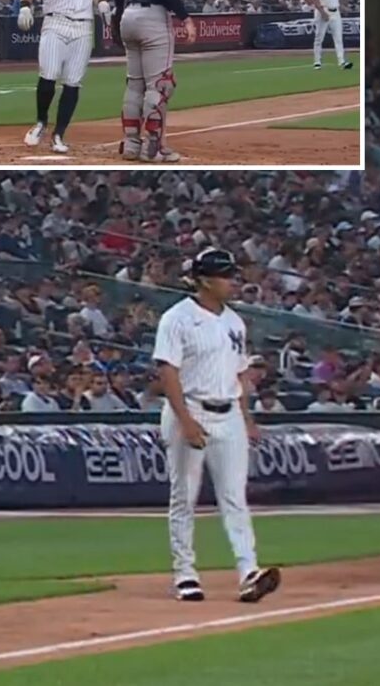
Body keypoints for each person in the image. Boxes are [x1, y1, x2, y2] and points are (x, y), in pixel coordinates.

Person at [152, 248, 281, 604]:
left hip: (229, 415)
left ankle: (249, 572)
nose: (232, 281)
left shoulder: (234, 321)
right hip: (190, 410)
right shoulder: (177, 318)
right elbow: (167, 373)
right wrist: (187, 421)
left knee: (234, 498)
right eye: (226, 275)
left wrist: (247, 417)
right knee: (184, 497)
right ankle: (185, 574)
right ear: (205, 280)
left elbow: (238, 373)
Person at [113, 0, 197, 163]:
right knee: (159, 85)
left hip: (129, 15)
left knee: (134, 85)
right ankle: (154, 146)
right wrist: (185, 17)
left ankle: (131, 145)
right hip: (153, 18)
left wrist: (116, 20)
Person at [18, 0, 108, 155]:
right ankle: (40, 122)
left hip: (82, 25)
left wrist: (101, 3)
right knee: (48, 75)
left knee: (73, 82)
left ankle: (59, 134)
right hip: (55, 23)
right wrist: (25, 7)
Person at [307, 0, 352, 71]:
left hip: (335, 11)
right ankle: (317, 61)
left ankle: (341, 61)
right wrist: (322, 12)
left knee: (338, 38)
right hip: (323, 10)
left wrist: (342, 7)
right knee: (319, 37)